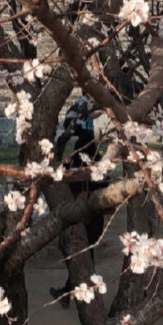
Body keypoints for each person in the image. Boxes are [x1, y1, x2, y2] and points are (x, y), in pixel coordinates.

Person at [50, 98, 105, 309]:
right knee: (84, 256)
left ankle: (73, 293)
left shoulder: (83, 160)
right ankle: (69, 292)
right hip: (91, 214)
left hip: (87, 215)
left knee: (84, 256)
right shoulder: (95, 158)